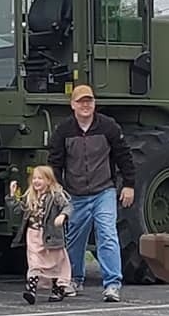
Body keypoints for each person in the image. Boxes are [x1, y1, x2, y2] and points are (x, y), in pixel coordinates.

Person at [47, 84, 135, 302]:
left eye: (89, 101)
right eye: (81, 101)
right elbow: (55, 162)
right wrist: (57, 190)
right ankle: (75, 279)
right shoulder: (63, 130)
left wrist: (129, 184)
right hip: (75, 195)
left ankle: (112, 284)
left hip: (103, 191)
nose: (85, 105)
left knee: (107, 234)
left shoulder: (108, 127)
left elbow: (124, 156)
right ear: (72, 105)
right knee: (75, 240)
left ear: (95, 104)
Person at [6, 165, 74, 305]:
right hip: (33, 235)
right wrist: (13, 197)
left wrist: (62, 216)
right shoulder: (30, 196)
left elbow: (68, 206)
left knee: (55, 263)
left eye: (40, 178)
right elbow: (19, 211)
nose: (36, 181)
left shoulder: (55, 196)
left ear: (48, 181)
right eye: (34, 178)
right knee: (34, 262)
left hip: (50, 235)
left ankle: (58, 288)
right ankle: (31, 290)